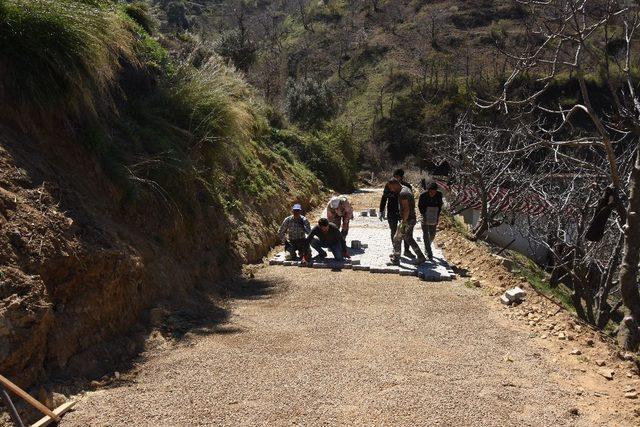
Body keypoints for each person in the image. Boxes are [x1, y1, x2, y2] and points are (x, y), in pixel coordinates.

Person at [386, 178, 426, 266]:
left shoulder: (403, 193)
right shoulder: (406, 188)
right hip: (411, 219)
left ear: (395, 185)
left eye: (391, 187)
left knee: (397, 238)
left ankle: (396, 259)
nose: (391, 190)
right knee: (408, 238)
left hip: (407, 220)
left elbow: (406, 209)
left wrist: (403, 222)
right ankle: (421, 256)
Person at [379, 168, 416, 258]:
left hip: (403, 212)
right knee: (393, 231)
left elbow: (411, 200)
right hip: (392, 210)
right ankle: (396, 249)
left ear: (401, 177)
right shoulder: (389, 185)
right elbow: (384, 197)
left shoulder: (406, 186)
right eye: (394, 176)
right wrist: (381, 210)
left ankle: (407, 250)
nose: (396, 178)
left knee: (406, 233)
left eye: (398, 177)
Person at [418, 182, 444, 261]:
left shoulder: (439, 195)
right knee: (426, 234)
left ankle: (427, 245)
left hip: (434, 215)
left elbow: (440, 206)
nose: (432, 193)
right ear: (428, 191)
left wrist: (436, 217)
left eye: (434, 192)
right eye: (431, 192)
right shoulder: (423, 195)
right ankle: (429, 252)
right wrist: (424, 215)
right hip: (425, 215)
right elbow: (420, 206)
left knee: (432, 234)